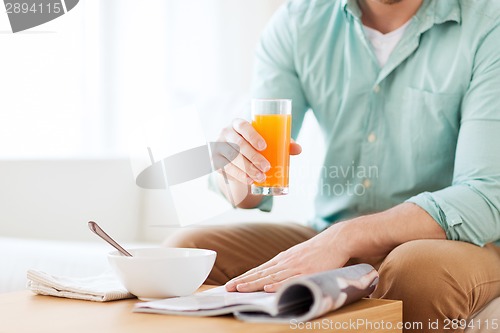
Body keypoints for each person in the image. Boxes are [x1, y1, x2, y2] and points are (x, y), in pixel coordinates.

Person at [165, 0, 500, 331]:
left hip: (454, 243)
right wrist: (237, 167)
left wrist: (344, 238)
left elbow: (485, 197)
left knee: (418, 271)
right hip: (330, 231)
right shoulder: (300, 20)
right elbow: (254, 185)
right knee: (188, 254)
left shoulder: (487, 23)